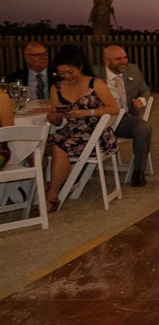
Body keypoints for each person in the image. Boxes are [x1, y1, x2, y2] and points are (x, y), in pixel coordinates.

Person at [44, 45, 119, 212]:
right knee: (36, 147)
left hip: (95, 133)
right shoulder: (56, 88)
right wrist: (54, 117)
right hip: (70, 132)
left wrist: (86, 112)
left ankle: (51, 197)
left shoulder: (95, 83)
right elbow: (57, 122)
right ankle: (43, 187)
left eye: (70, 72)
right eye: (62, 73)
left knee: (59, 148)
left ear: (80, 66)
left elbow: (114, 109)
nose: (67, 77)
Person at [103, 45, 153, 187]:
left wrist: (141, 101)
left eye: (125, 57)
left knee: (143, 128)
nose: (124, 61)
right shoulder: (96, 73)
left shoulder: (133, 69)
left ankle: (138, 172)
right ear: (107, 61)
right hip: (102, 119)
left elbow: (145, 91)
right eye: (118, 59)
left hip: (125, 118)